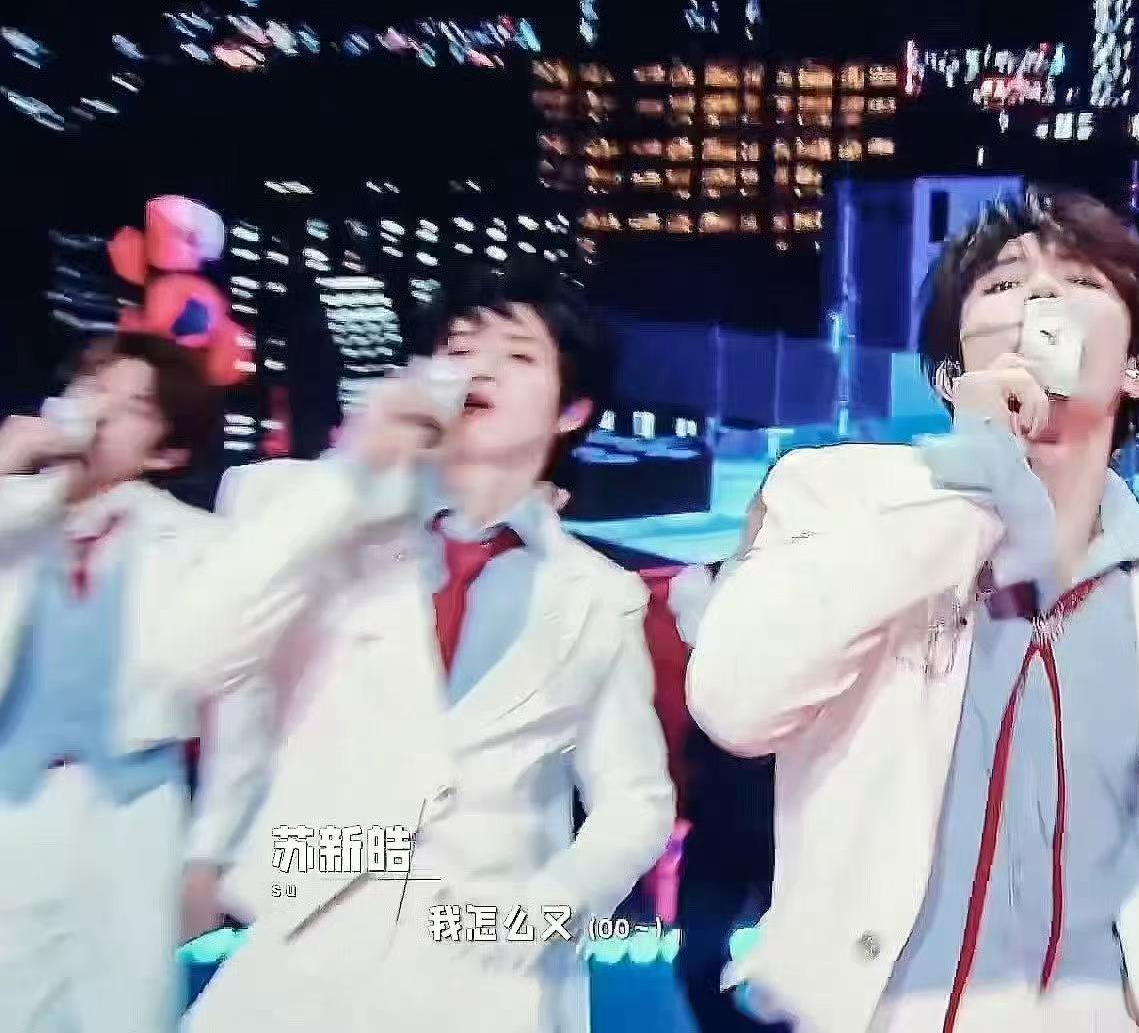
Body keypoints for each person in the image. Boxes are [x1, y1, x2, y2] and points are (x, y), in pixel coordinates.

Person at [686, 188, 1139, 1033]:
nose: (1042, 298)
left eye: (1080, 282)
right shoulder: (836, 498)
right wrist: (978, 478)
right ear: (952, 374)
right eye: (1005, 285)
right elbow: (737, 702)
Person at [167, 266, 676, 1032]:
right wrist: (356, 469)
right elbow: (190, 656)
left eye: (518, 355)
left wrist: (549, 909)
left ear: (573, 410)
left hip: (487, 988)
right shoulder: (323, 519)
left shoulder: (598, 595)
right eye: (459, 348)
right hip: (301, 967)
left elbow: (635, 799)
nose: (479, 369)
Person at [0, 334, 270, 1033]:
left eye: (133, 407)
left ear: (167, 452)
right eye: (93, 389)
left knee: (125, 1010)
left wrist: (210, 856)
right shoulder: (14, 519)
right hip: (13, 809)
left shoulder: (204, 547)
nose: (101, 413)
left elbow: (241, 714)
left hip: (136, 813)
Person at [667, 497, 789, 1033]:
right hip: (720, 811)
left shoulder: (816, 592)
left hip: (787, 809)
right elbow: (708, 645)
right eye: (763, 510)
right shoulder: (703, 586)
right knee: (699, 959)